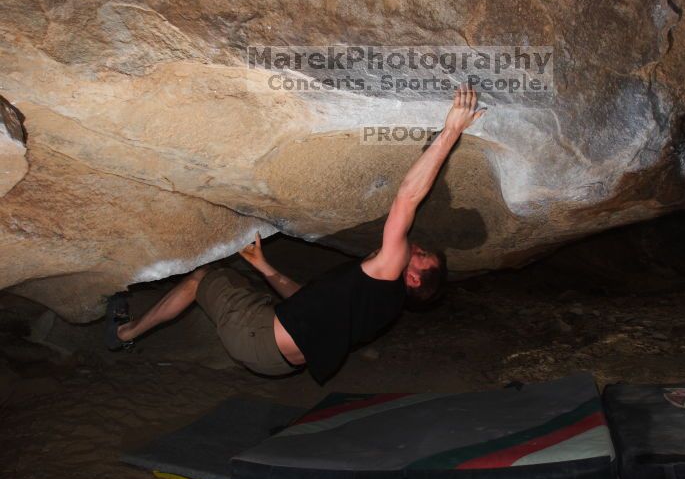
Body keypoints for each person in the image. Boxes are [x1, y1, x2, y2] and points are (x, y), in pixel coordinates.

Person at [106, 86, 485, 384]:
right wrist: (265, 266)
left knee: (204, 278)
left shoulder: (388, 273)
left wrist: (450, 131)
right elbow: (307, 302)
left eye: (420, 255)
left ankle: (124, 333)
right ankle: (150, 328)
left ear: (414, 277)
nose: (414, 247)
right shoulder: (379, 308)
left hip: (260, 339)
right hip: (278, 363)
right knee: (240, 284)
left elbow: (406, 198)